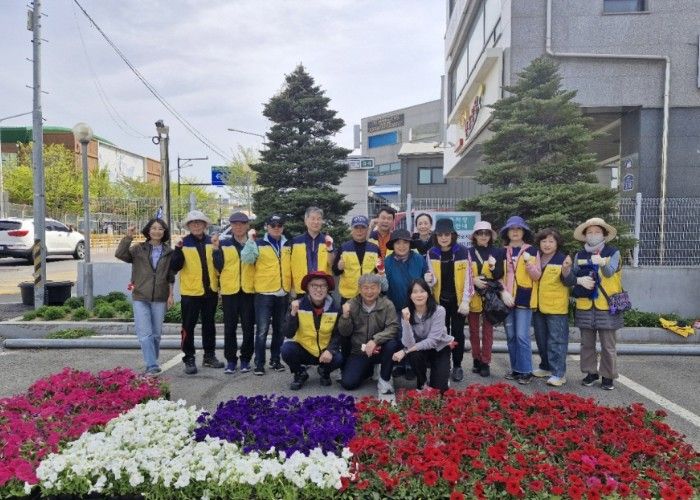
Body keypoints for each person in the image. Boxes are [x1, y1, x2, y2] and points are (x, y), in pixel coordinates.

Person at [568, 217, 624, 391]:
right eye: (590, 232)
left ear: (604, 235)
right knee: (586, 343)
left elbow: (609, 273)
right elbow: (573, 275)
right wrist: (577, 279)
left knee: (608, 345)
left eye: (597, 232)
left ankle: (608, 375)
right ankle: (590, 372)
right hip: (585, 304)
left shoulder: (613, 252)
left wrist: (602, 262)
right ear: (585, 236)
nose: (593, 235)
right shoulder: (579, 255)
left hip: (607, 305)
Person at [115, 218, 174, 375]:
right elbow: (120, 254)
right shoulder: (138, 249)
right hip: (140, 296)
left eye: (160, 229)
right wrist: (128, 237)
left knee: (156, 335)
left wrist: (170, 294)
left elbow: (170, 275)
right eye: (153, 228)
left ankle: (152, 361)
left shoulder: (169, 252)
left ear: (164, 232)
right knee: (145, 333)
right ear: (148, 231)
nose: (156, 231)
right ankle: (151, 364)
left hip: (160, 296)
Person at [170, 210, 223, 375]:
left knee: (209, 326)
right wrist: (177, 250)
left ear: (205, 225)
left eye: (199, 222)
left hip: (210, 291)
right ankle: (189, 358)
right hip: (190, 292)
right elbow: (175, 266)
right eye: (193, 223)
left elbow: (219, 265)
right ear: (188, 226)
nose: (196, 225)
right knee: (188, 326)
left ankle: (209, 356)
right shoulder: (183, 243)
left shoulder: (212, 241)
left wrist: (220, 287)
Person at [426, 218, 474, 382]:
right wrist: (429, 280)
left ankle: (458, 365)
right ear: (436, 236)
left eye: (447, 234)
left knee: (458, 334)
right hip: (440, 302)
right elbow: (432, 280)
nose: (444, 238)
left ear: (453, 235)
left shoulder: (462, 252)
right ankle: (443, 364)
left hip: (458, 302)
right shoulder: (432, 253)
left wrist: (466, 301)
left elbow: (469, 278)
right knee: (441, 333)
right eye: (440, 235)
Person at [241, 214, 289, 376]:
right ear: (267, 226)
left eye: (279, 225)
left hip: (283, 293)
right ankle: (259, 363)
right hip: (264, 294)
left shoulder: (287, 244)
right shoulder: (258, 243)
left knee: (280, 330)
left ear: (283, 227)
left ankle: (275, 360)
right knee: (262, 331)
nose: (276, 228)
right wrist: (250, 241)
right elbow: (247, 259)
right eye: (273, 225)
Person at [337, 274, 401, 394]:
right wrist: (345, 316)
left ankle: (384, 379)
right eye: (365, 288)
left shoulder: (387, 304)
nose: (369, 291)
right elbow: (345, 332)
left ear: (379, 288)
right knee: (348, 383)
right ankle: (368, 369)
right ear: (360, 289)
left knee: (392, 343)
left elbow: (393, 327)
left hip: (380, 349)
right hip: (359, 351)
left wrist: (375, 340)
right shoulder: (352, 304)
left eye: (373, 287)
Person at [281, 271, 344, 390]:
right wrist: (293, 314)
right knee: (286, 349)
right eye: (314, 285)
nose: (319, 289)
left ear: (328, 289)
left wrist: (330, 350)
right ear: (308, 288)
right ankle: (300, 373)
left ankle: (324, 371)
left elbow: (338, 334)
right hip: (304, 349)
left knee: (339, 358)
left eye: (323, 286)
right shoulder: (297, 305)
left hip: (324, 352)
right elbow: (288, 333)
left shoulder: (335, 307)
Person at [384, 229, 433, 380]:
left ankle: (412, 365)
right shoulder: (387, 261)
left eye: (405, 242)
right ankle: (400, 364)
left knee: (414, 335)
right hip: (395, 306)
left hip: (416, 306)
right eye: (398, 243)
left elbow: (426, 281)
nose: (402, 246)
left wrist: (430, 279)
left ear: (410, 244)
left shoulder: (418, 259)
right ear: (393, 245)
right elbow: (384, 286)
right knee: (399, 335)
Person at [530, 228, 576, 387]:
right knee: (541, 339)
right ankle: (546, 367)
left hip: (556, 308)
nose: (547, 244)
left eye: (551, 241)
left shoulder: (563, 259)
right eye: (544, 241)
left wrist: (566, 270)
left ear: (557, 243)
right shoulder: (536, 257)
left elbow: (570, 281)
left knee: (557, 341)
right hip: (538, 306)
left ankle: (558, 373)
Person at [212, 212, 255, 374]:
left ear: (247, 226)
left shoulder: (253, 243)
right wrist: (215, 249)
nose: (238, 227)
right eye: (235, 224)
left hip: (248, 291)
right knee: (229, 328)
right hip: (230, 292)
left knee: (248, 328)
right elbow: (218, 266)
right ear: (231, 226)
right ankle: (230, 360)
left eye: (242, 224)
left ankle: (245, 359)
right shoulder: (224, 244)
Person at [392, 278, 454, 392]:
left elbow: (433, 341)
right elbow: (409, 343)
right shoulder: (406, 312)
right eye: (415, 292)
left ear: (428, 293)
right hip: (419, 350)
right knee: (414, 354)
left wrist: (405, 351)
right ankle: (422, 383)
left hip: (439, 348)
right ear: (410, 296)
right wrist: (406, 322)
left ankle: (444, 371)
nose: (419, 295)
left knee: (439, 390)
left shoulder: (439, 310)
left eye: (422, 291)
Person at [500, 215, 539, 385]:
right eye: (511, 229)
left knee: (522, 335)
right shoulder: (502, 251)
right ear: (507, 233)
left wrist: (529, 265)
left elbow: (537, 276)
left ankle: (526, 370)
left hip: (525, 298)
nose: (515, 232)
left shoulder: (532, 251)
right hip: (507, 299)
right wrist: (503, 292)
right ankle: (516, 369)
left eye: (518, 229)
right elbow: (497, 275)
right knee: (510, 336)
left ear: (524, 232)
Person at [467, 220, 504, 378]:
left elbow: (500, 274)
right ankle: (476, 359)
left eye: (486, 233)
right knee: (473, 330)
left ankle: (486, 361)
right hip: (473, 294)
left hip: (490, 296)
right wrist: (473, 280)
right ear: (475, 236)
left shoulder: (498, 252)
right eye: (480, 233)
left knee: (488, 330)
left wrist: (494, 267)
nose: (483, 236)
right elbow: (463, 273)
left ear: (491, 235)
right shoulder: (468, 252)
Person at [286, 207, 335, 296]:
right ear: (306, 221)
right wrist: (292, 288)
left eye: (319, 219)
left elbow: (332, 264)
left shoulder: (327, 241)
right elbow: (289, 266)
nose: (316, 222)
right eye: (313, 218)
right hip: (301, 288)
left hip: (322, 289)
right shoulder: (295, 241)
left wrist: (330, 248)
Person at [333, 215, 381, 304]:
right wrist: (339, 268)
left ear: (367, 229)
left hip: (369, 296)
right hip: (348, 298)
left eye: (362, 227)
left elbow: (380, 271)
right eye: (356, 227)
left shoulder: (374, 249)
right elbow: (335, 271)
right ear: (352, 229)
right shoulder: (343, 248)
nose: (359, 231)